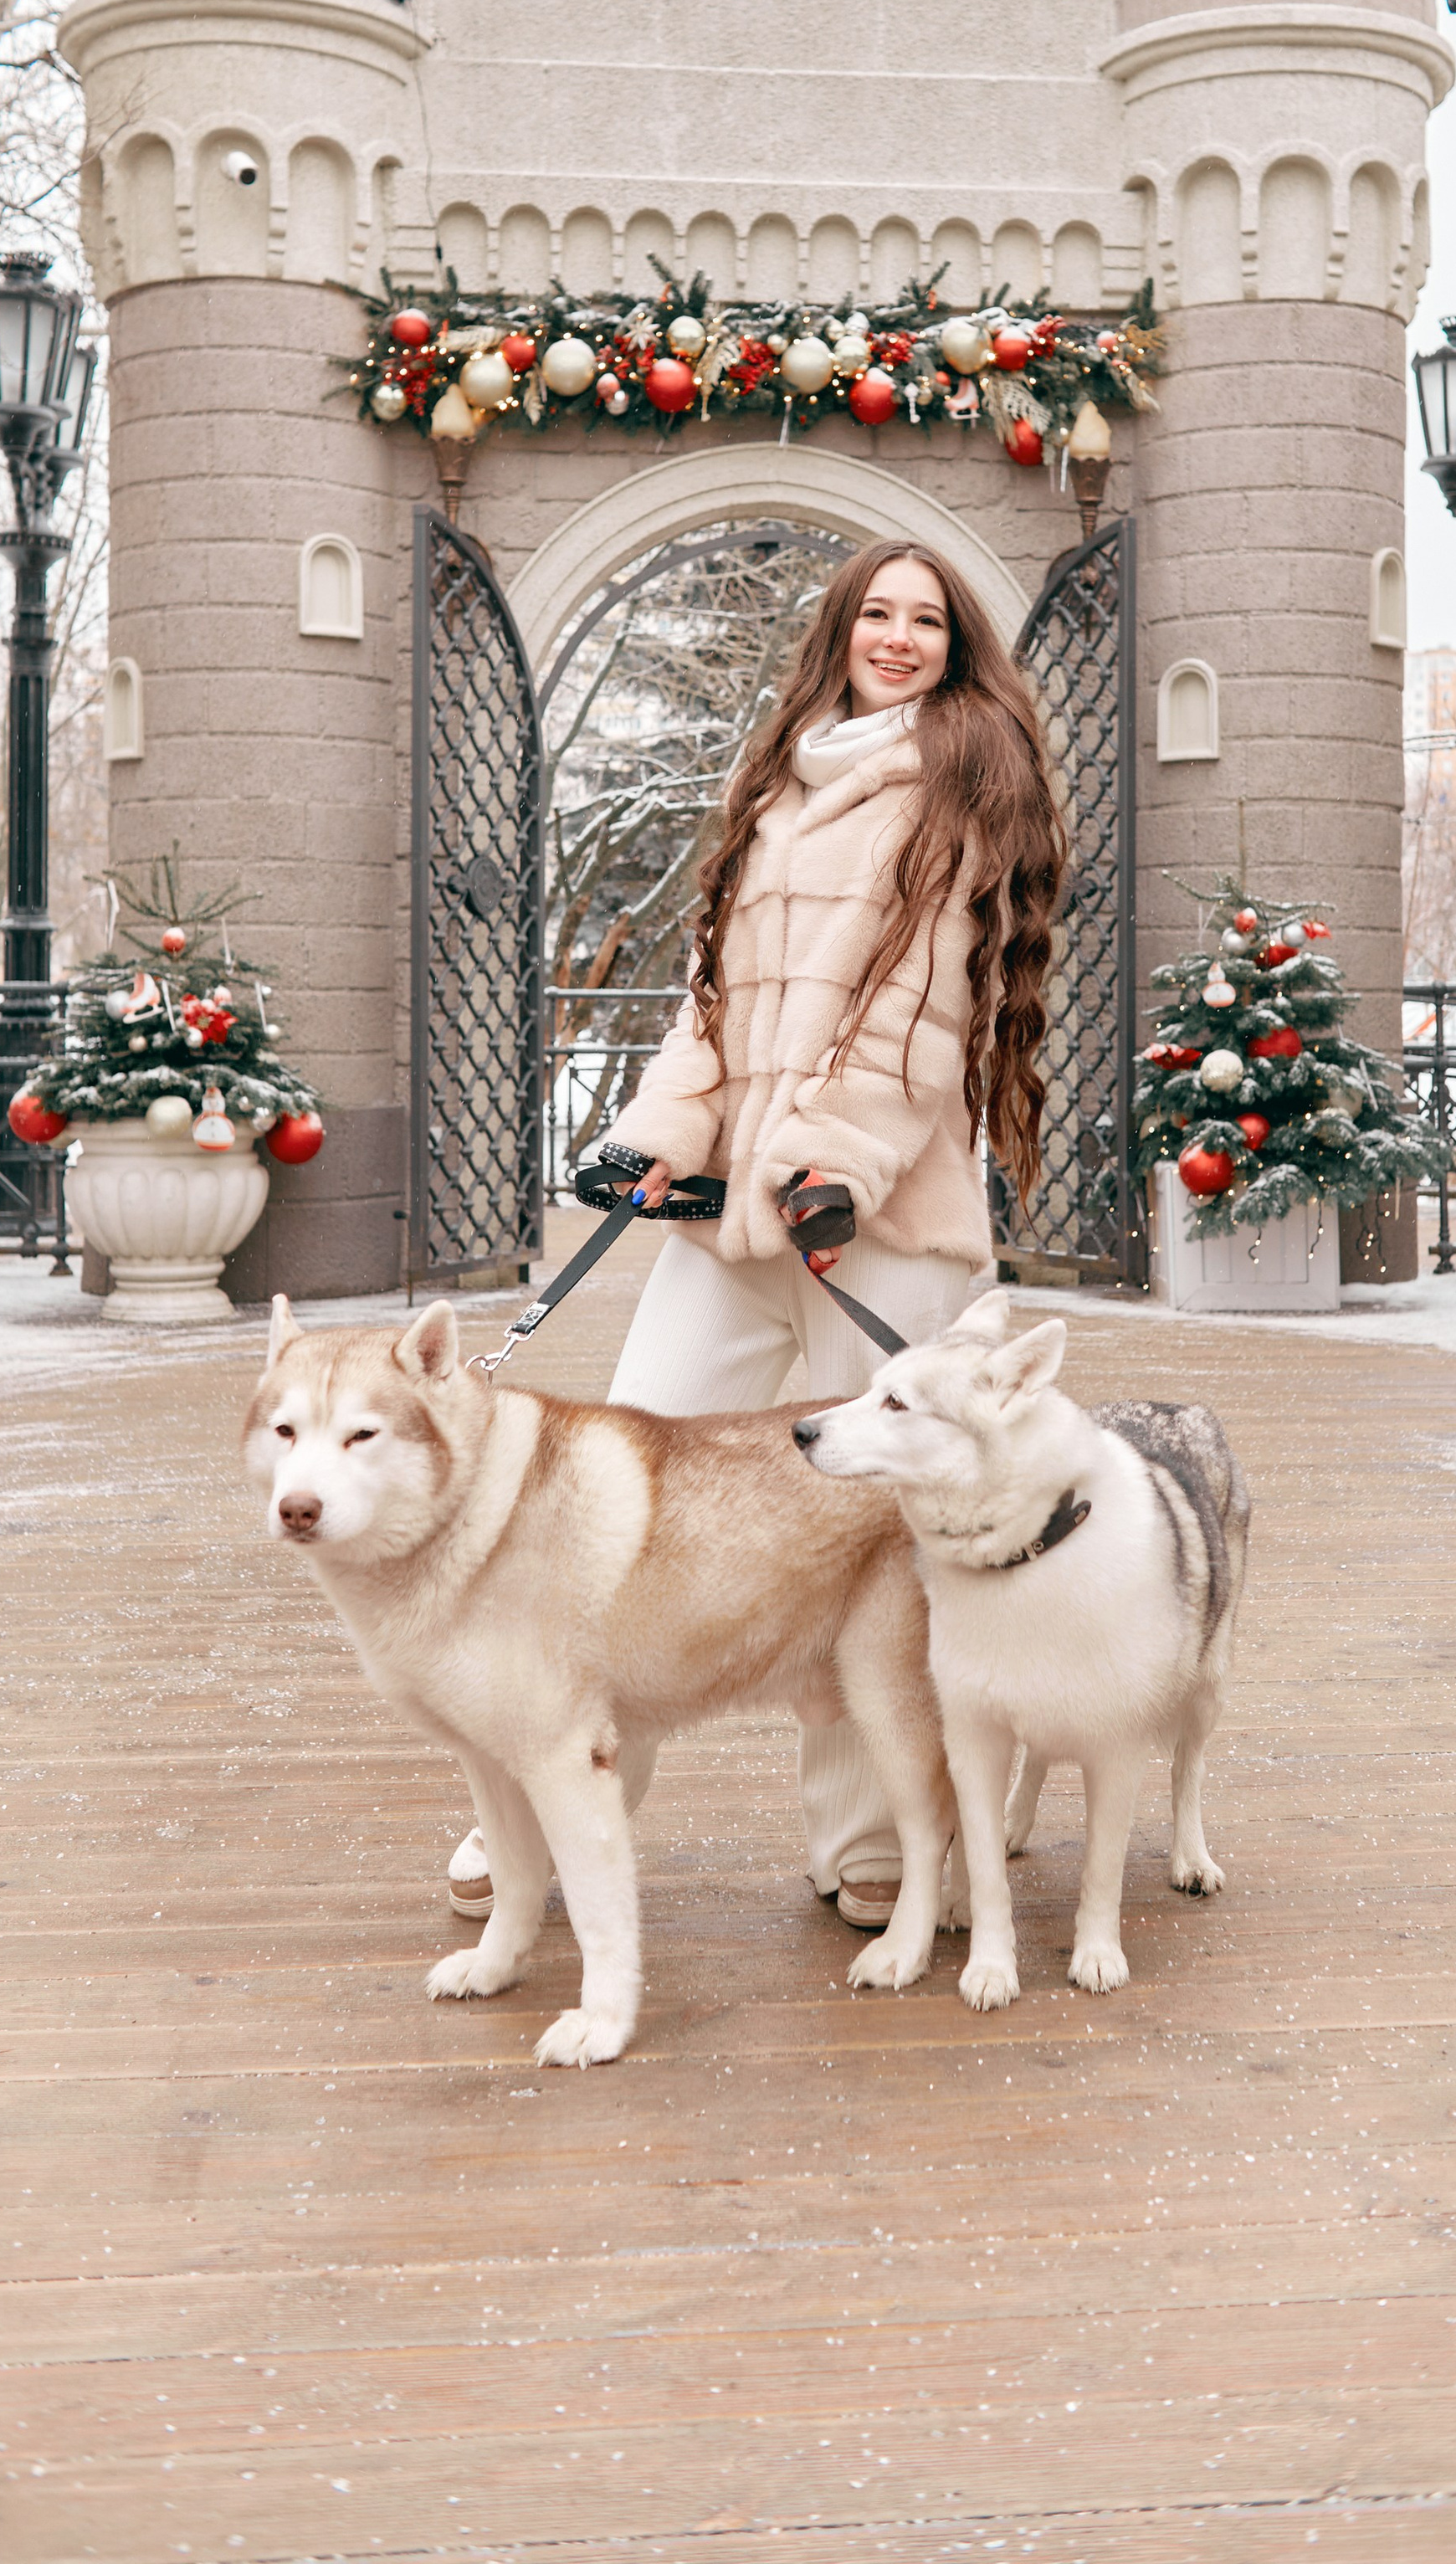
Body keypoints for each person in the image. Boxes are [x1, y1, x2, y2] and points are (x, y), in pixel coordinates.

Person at [450, 535, 1066, 1931]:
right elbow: (712, 1006)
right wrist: (661, 1136)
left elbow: (923, 1012)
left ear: (955, 647)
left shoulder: (963, 781)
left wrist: (830, 1158)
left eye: (926, 621)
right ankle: (550, 1810)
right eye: (876, 615)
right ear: (839, 631)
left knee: (878, 1537)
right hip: (735, 1215)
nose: (898, 638)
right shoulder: (779, 782)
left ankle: (878, 1842)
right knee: (622, 1501)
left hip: (872, 1213)